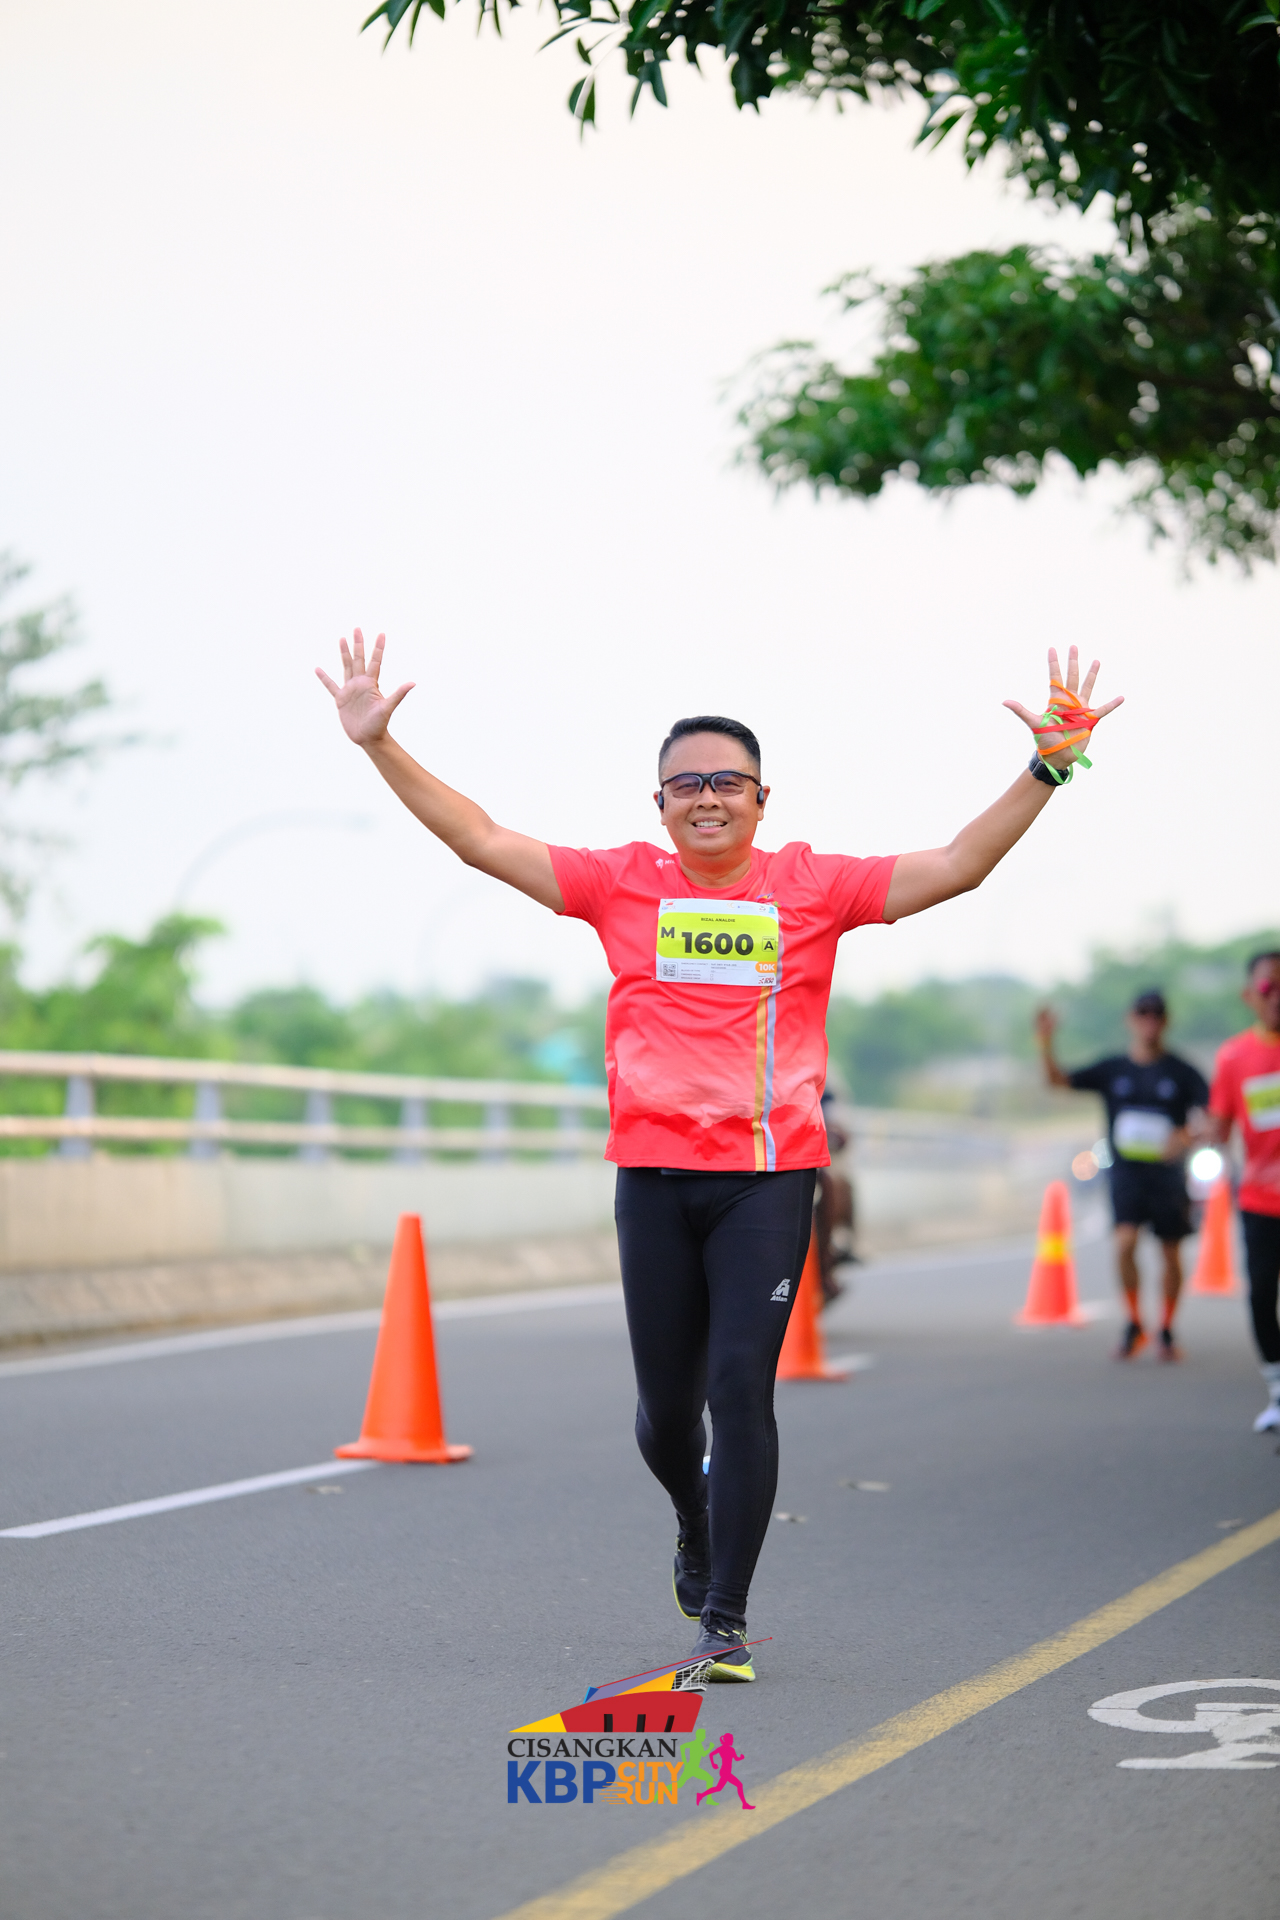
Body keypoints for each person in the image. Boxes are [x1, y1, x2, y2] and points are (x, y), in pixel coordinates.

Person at [318, 632, 1121, 1681]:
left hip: (767, 1182)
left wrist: (1048, 768)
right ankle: (692, 1519)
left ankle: (725, 1619)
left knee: (741, 1389)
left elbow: (958, 865)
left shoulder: (814, 887)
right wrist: (379, 744)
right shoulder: (619, 884)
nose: (706, 798)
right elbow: (478, 838)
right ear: (658, 804)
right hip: (652, 1180)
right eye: (685, 784)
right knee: (664, 1419)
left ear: (760, 798)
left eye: (726, 782)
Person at [1035, 991, 1208, 1360]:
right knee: (1125, 1243)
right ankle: (1134, 1322)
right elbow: (1058, 1080)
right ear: (1130, 1019)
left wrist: (1184, 1137)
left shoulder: (1181, 1071)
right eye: (1143, 1013)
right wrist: (1046, 1042)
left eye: (1157, 1014)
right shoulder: (1114, 1069)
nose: (1150, 1020)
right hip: (1127, 1175)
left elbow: (1210, 1115)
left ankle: (1166, 1328)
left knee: (1170, 1252)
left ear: (1166, 1021)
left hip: (1167, 1177)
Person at [1201, 951, 1280, 1431]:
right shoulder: (1234, 1057)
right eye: (1268, 987)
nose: (1277, 997)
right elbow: (1220, 1126)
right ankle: (1277, 1389)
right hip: (1260, 1200)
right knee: (1261, 1296)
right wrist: (1202, 1131)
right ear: (1249, 995)